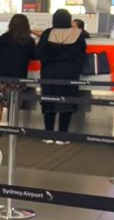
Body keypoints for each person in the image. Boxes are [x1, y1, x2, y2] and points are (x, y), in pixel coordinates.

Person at [36, 9, 87, 145]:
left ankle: (48, 134)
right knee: (66, 102)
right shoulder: (78, 33)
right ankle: (62, 136)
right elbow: (82, 52)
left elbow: (39, 53)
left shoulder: (48, 33)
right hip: (69, 72)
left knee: (49, 101)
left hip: (49, 72)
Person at [0, 14, 36, 128]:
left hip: (0, 75)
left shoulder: (6, 37)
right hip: (18, 76)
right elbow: (34, 56)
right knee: (13, 103)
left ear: (11, 24)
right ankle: (11, 128)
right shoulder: (29, 40)